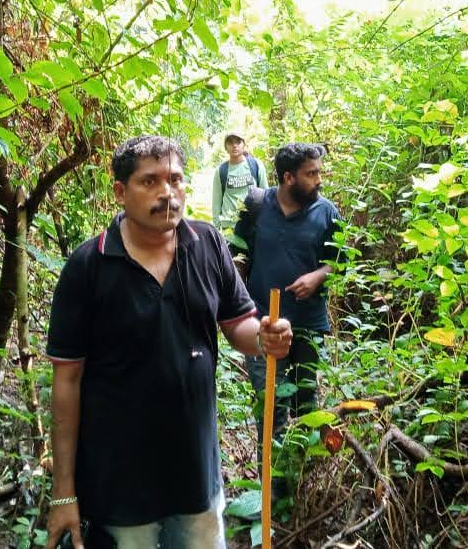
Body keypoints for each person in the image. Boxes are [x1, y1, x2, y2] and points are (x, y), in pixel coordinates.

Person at [44, 135, 293, 549]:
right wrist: (64, 491)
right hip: (120, 484)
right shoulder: (89, 266)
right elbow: (66, 381)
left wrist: (266, 338)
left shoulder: (207, 244)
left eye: (176, 180)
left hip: (195, 475)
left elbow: (238, 326)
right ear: (121, 192)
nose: (167, 193)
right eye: (150, 181)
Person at [233, 142, 340, 465]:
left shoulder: (327, 213)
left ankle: (302, 480)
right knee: (270, 408)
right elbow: (238, 255)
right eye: (312, 174)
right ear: (288, 177)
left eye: (319, 172)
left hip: (307, 324)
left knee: (306, 405)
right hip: (263, 327)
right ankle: (273, 494)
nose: (319, 179)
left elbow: (340, 260)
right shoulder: (256, 206)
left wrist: (318, 276)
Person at [211, 133, 267, 233]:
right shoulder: (221, 171)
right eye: (230, 142)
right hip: (229, 229)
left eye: (238, 142)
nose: (234, 145)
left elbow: (266, 196)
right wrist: (217, 231)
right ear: (225, 147)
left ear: (244, 145)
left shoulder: (256, 165)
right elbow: (216, 203)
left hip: (253, 225)